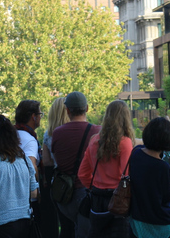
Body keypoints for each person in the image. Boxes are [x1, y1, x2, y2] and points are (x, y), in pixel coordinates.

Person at [78, 100, 135, 238]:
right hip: (117, 200)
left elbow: (83, 173)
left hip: (97, 198)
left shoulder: (94, 141)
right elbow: (127, 175)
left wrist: (94, 184)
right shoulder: (125, 142)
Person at [52, 91, 101, 237]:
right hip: (86, 193)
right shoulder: (97, 131)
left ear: (67, 110)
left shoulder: (57, 132)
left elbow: (56, 159)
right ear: (86, 108)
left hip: (63, 194)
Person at [130, 117, 170, 238]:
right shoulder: (163, 167)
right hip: (158, 222)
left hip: (137, 219)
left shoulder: (136, 153)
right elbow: (167, 196)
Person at [42, 97, 70, 238]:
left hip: (59, 183)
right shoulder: (76, 132)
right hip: (77, 181)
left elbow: (46, 161)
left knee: (63, 225)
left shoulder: (48, 134)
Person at [15, 100, 43, 228]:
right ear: (33, 116)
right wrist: (36, 190)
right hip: (27, 198)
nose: (40, 118)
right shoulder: (30, 139)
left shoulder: (11, 135)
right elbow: (32, 166)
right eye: (40, 114)